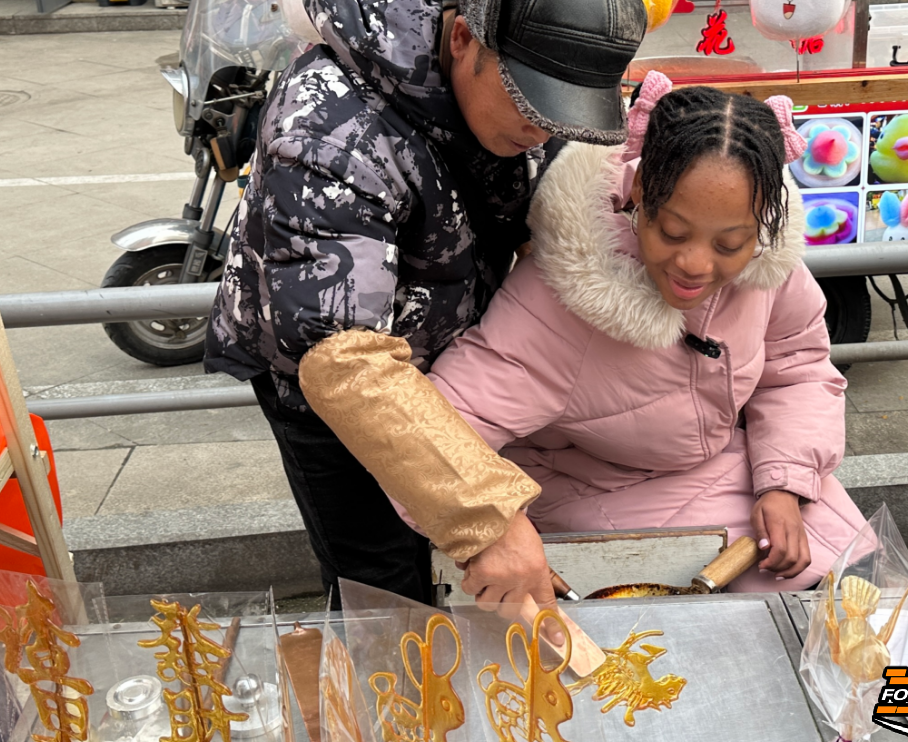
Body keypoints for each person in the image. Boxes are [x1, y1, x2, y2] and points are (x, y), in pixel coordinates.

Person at [204, 0, 648, 604]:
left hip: (444, 343)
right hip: (325, 370)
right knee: (383, 585)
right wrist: (488, 516)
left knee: (447, 549)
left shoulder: (512, 94)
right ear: (463, 38)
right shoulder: (329, 128)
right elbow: (340, 357)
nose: (541, 131)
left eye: (562, 112)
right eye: (529, 102)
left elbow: (548, 208)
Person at [387, 72, 870, 605]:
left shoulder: (769, 269)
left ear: (761, 223)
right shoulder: (560, 301)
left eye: (730, 244)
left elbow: (798, 371)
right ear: (639, 190)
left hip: (724, 465)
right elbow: (429, 438)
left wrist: (785, 483)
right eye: (673, 233)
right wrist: (496, 526)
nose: (695, 264)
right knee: (808, 602)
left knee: (863, 578)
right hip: (593, 487)